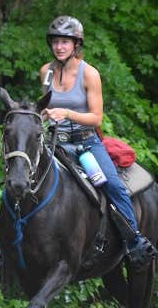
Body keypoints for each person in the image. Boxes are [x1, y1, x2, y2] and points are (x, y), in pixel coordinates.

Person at [39, 15, 157, 266]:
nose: (59, 47)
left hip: (85, 145)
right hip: (55, 144)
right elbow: (45, 106)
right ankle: (8, 246)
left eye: (65, 42)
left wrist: (66, 113)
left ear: (76, 45)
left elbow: (96, 118)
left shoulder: (89, 74)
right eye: (56, 42)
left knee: (112, 185)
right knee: (22, 173)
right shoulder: (45, 72)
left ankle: (134, 241)